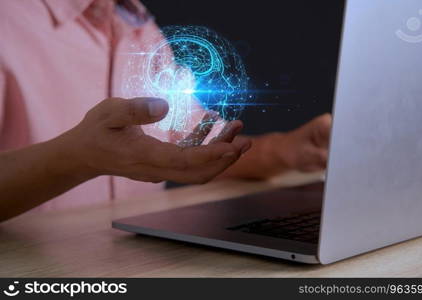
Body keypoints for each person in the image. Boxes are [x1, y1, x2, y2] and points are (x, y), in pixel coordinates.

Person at [0, 0, 331, 222]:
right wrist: (78, 158)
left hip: (133, 260)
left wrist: (284, 151)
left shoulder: (141, 27)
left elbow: (189, 148)